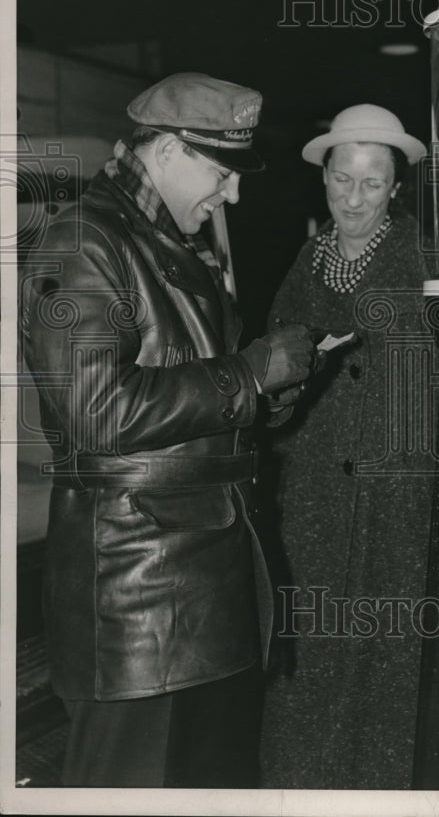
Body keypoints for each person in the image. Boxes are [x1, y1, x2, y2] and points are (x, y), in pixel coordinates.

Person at [20, 72, 316, 788]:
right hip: (141, 602)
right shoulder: (83, 240)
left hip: (197, 591)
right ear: (170, 151)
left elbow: (194, 386)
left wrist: (269, 392)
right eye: (221, 172)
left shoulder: (164, 242)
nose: (231, 195)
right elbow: (99, 411)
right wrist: (248, 376)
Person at [259, 103, 436, 789]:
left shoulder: (425, 257)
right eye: (341, 180)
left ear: (396, 187)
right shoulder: (308, 259)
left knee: (384, 657)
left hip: (398, 495)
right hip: (312, 495)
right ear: (324, 178)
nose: (354, 198)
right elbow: (271, 377)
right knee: (308, 656)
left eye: (371, 183)